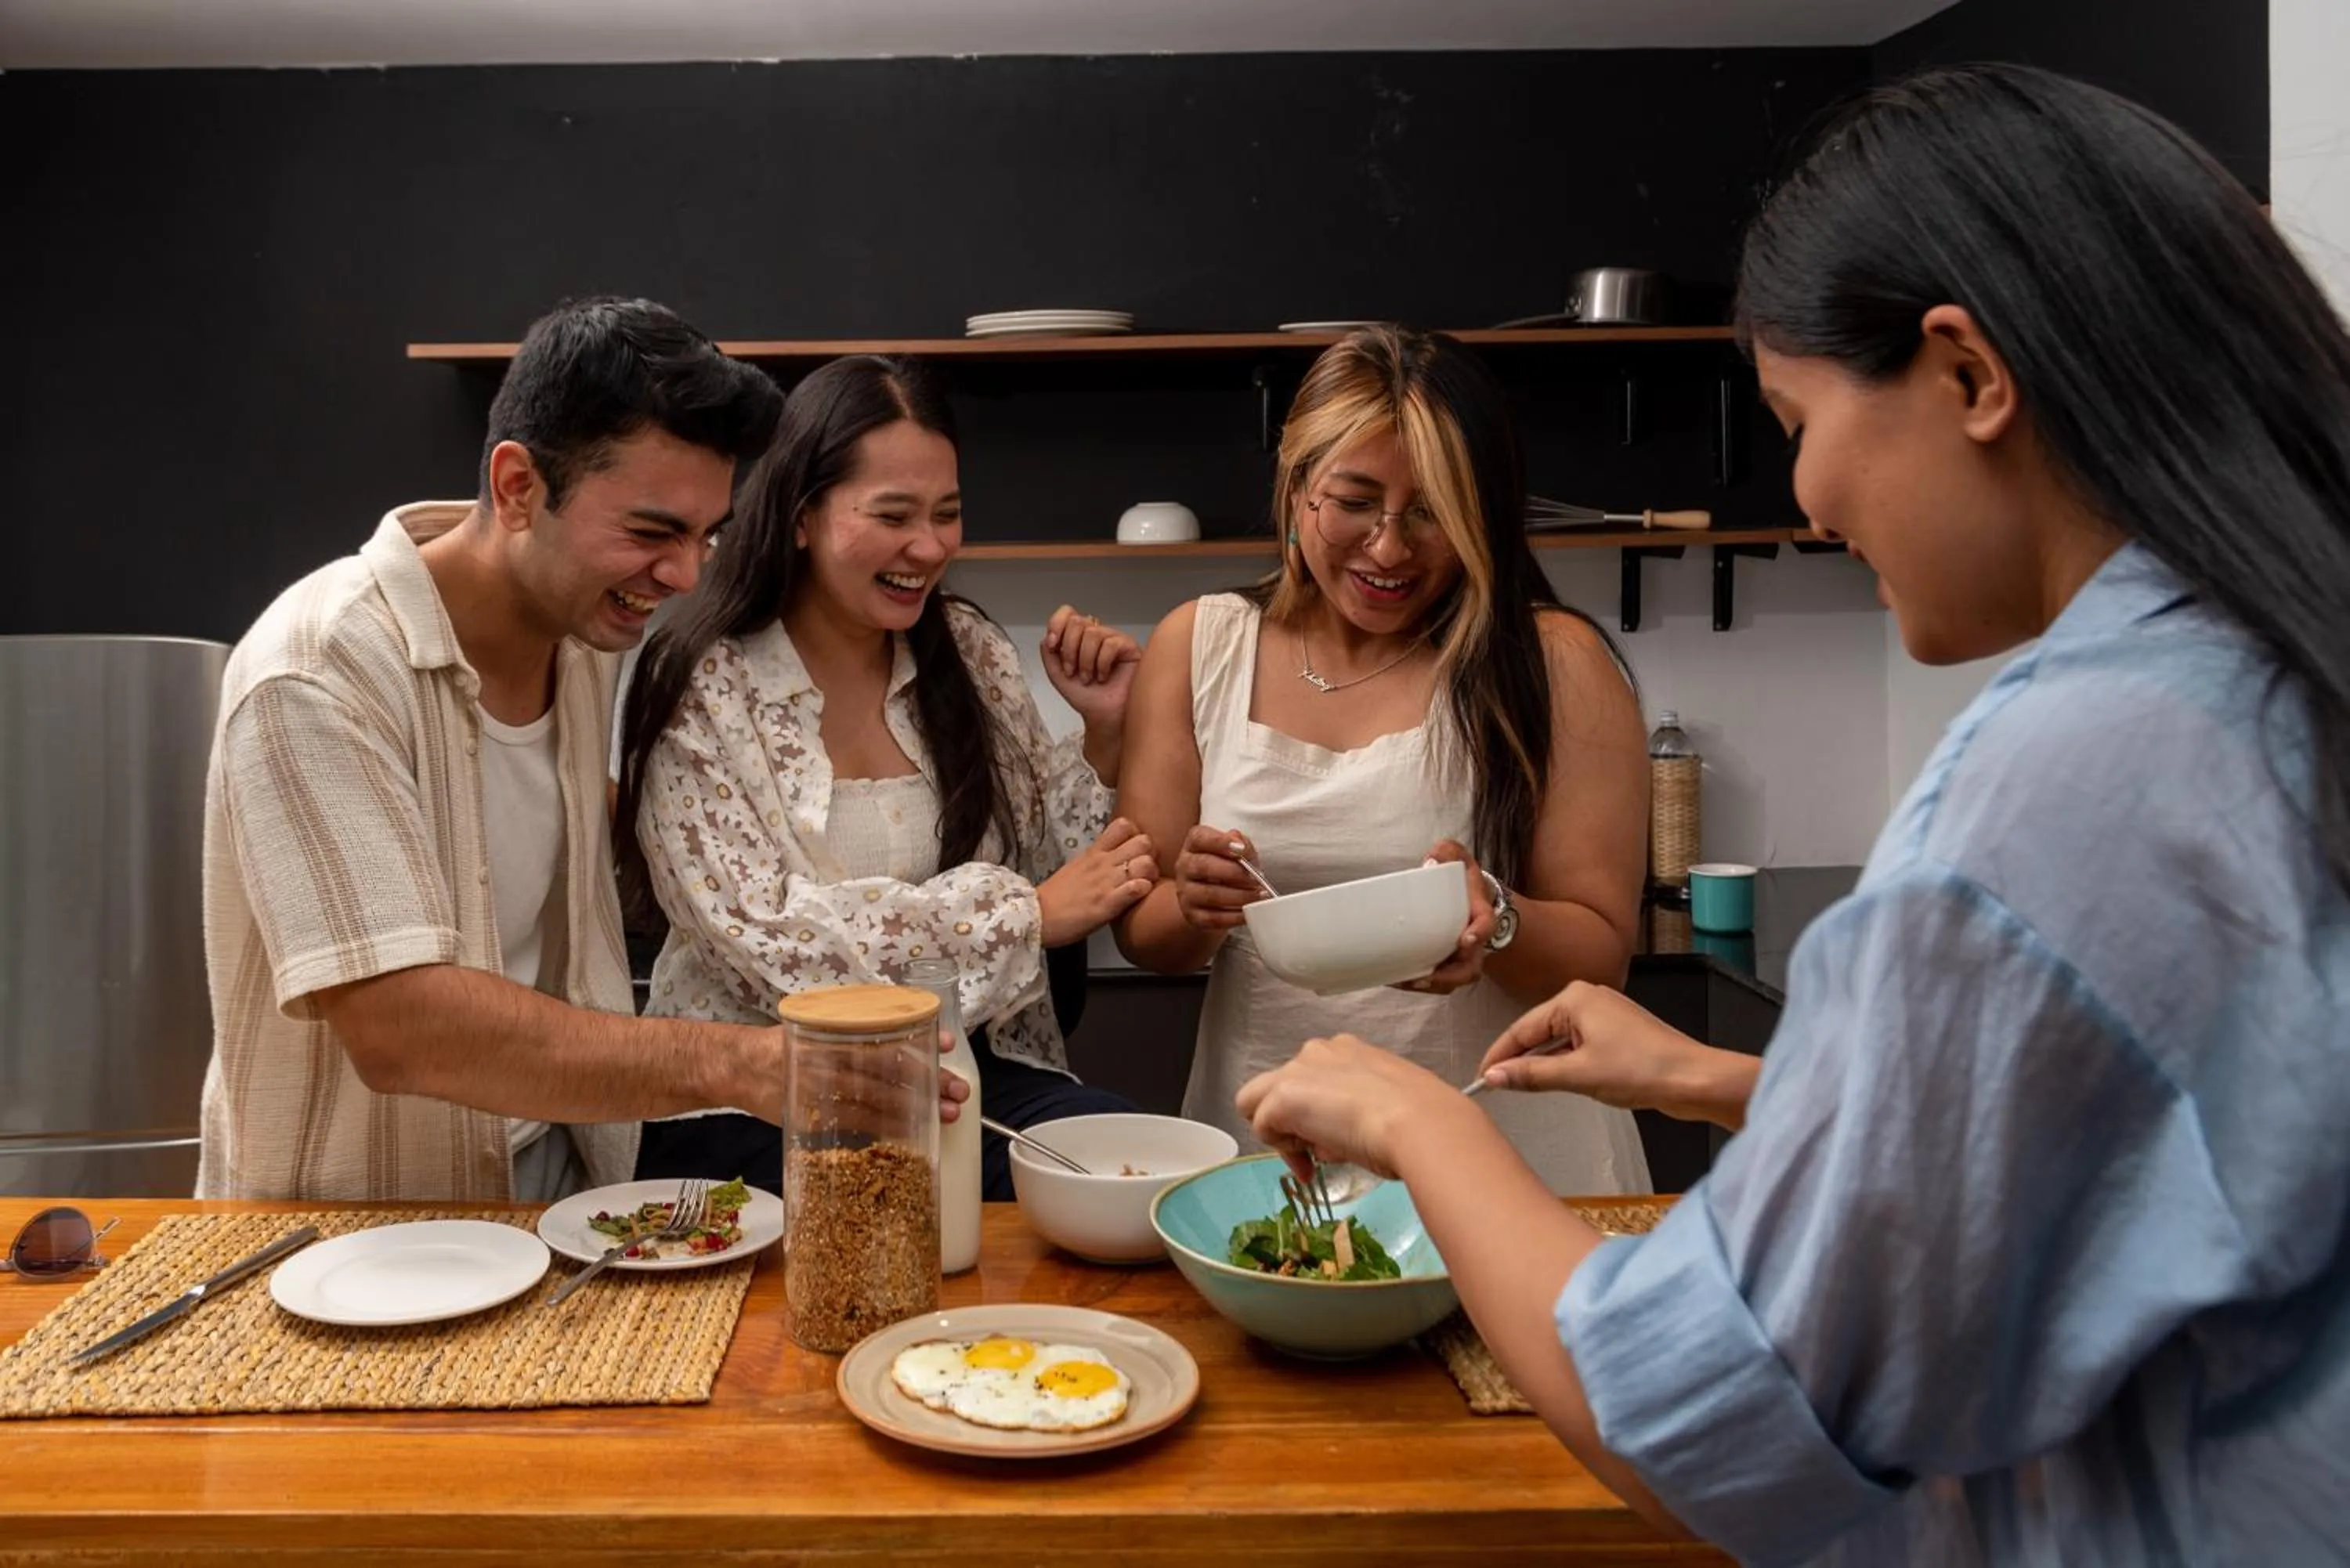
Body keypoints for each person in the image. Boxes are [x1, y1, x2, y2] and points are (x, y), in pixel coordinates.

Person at [1235, 65, 2350, 1566]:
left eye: (1798, 416)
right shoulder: (2268, 676)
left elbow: (1716, 1416)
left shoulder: (2067, 783)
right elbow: (2159, 1156)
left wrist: (1414, 1117)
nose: (1811, 497)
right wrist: (1722, 1077)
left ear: (1968, 375)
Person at [197, 295, 794, 1201]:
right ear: (519, 487)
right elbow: (399, 1026)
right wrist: (741, 1062)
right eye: (651, 531)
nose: (683, 576)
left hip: (563, 1198)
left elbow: (521, 833)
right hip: (351, 1251)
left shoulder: (581, 633)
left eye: (706, 535)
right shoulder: (315, 670)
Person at [1112, 323, 1652, 1194]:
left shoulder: (1552, 662)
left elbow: (1602, 953)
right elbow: (1144, 936)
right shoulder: (1201, 645)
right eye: (1355, 501)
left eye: (1433, 511)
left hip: (1509, 1152)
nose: (1391, 549)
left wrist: (1498, 917)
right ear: (1296, 490)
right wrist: (1192, 902)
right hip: (1268, 1143)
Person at [617, 354, 1152, 1200]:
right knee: (922, 1209)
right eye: (894, 514)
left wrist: (1107, 734)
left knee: (1133, 1176)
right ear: (801, 514)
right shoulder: (702, 682)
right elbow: (768, 939)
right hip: (756, 1095)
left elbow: (1062, 872)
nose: (931, 546)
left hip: (960, 1071)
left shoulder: (970, 653)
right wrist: (1022, 917)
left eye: (948, 513)